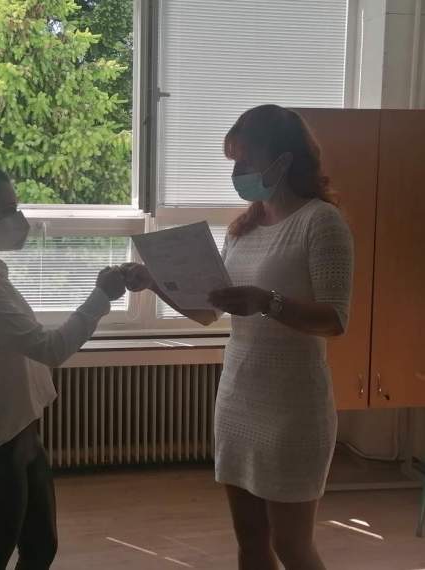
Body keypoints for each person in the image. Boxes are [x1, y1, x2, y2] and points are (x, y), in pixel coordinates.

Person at [124, 104, 354, 570]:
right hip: (238, 399)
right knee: (250, 542)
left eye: (247, 159)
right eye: (234, 161)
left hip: (293, 409)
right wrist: (153, 283)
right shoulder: (242, 229)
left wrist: (267, 302)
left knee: (291, 546)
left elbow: (334, 319)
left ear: (284, 160)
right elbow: (208, 312)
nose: (238, 172)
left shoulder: (321, 222)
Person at [0, 137, 126, 570]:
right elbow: (49, 348)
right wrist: (102, 296)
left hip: (21, 437)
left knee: (41, 549)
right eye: (8, 209)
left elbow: (27, 344)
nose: (19, 219)